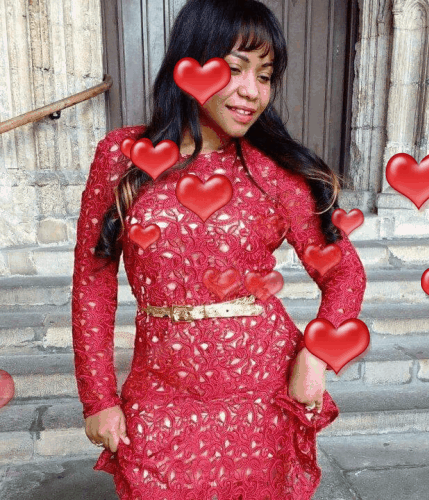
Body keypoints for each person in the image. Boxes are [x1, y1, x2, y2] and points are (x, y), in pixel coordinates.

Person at [71, 0, 366, 498]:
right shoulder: (123, 158)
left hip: (263, 391)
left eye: (265, 76)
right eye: (235, 69)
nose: (253, 91)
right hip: (159, 393)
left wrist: (314, 357)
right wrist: (98, 397)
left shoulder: (274, 171)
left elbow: (344, 273)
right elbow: (92, 282)